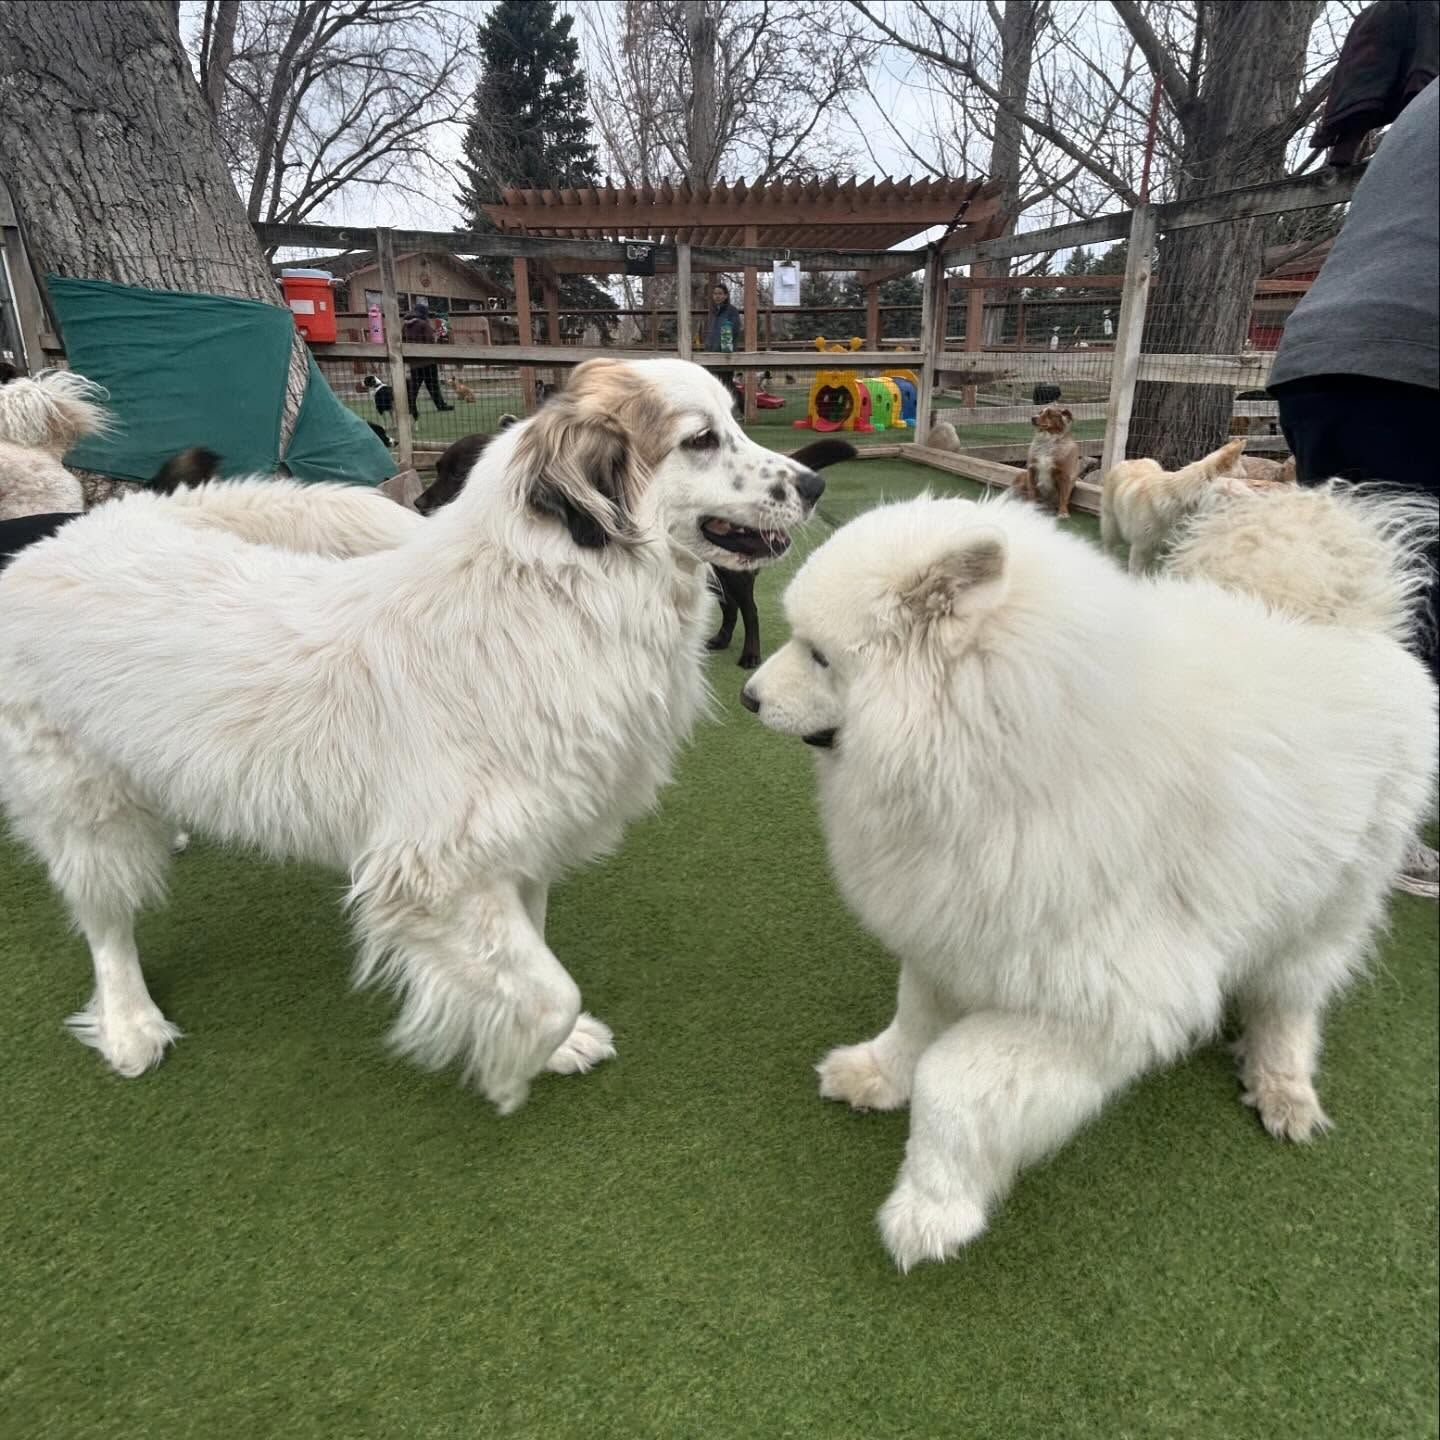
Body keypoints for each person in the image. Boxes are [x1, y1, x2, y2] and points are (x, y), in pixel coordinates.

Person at [1267, 77, 1439, 898]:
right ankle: (1379, 829)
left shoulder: (1422, 106)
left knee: (1355, 595)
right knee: (1411, 609)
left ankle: (1301, 794)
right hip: (1417, 359)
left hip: (1320, 355)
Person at [402, 301, 453, 420]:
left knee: (414, 387)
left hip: (414, 361)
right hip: (427, 360)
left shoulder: (405, 325)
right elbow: (429, 340)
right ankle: (441, 405)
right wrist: (436, 336)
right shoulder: (423, 324)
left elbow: (403, 340)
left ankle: (410, 407)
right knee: (433, 385)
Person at [702, 282, 744, 409]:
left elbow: (735, 330)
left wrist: (726, 346)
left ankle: (743, 407)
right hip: (712, 352)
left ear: (726, 296)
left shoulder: (732, 311)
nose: (717, 296)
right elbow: (712, 331)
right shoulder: (714, 312)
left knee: (727, 383)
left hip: (725, 352)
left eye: (720, 294)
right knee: (714, 383)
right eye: (715, 294)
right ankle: (719, 409)